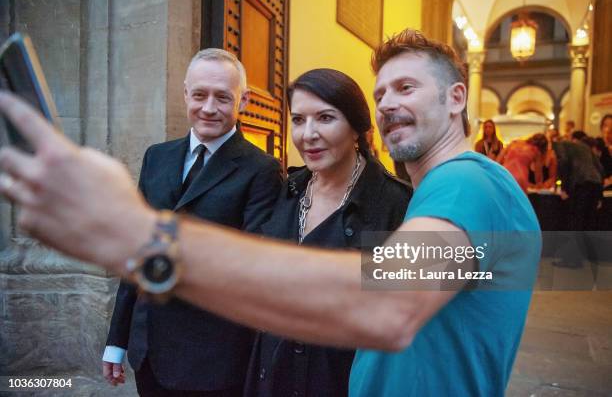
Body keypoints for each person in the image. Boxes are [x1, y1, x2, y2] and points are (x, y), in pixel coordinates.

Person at [0, 28, 541, 396]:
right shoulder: (439, 197)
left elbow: (388, 307)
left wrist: (135, 234)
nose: (387, 104)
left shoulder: (470, 181)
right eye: (380, 92)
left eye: (407, 87)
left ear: (456, 98)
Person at [103, 49, 282, 396]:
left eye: (222, 97)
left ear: (243, 101)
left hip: (213, 358)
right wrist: (117, 340)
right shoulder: (157, 157)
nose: (209, 108)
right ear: (185, 93)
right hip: (149, 351)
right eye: (199, 95)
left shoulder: (262, 170)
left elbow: (248, 262)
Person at [244, 69, 411, 397]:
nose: (308, 134)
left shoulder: (395, 204)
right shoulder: (287, 190)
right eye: (298, 119)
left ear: (356, 127)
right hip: (273, 376)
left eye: (325, 118)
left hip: (340, 381)